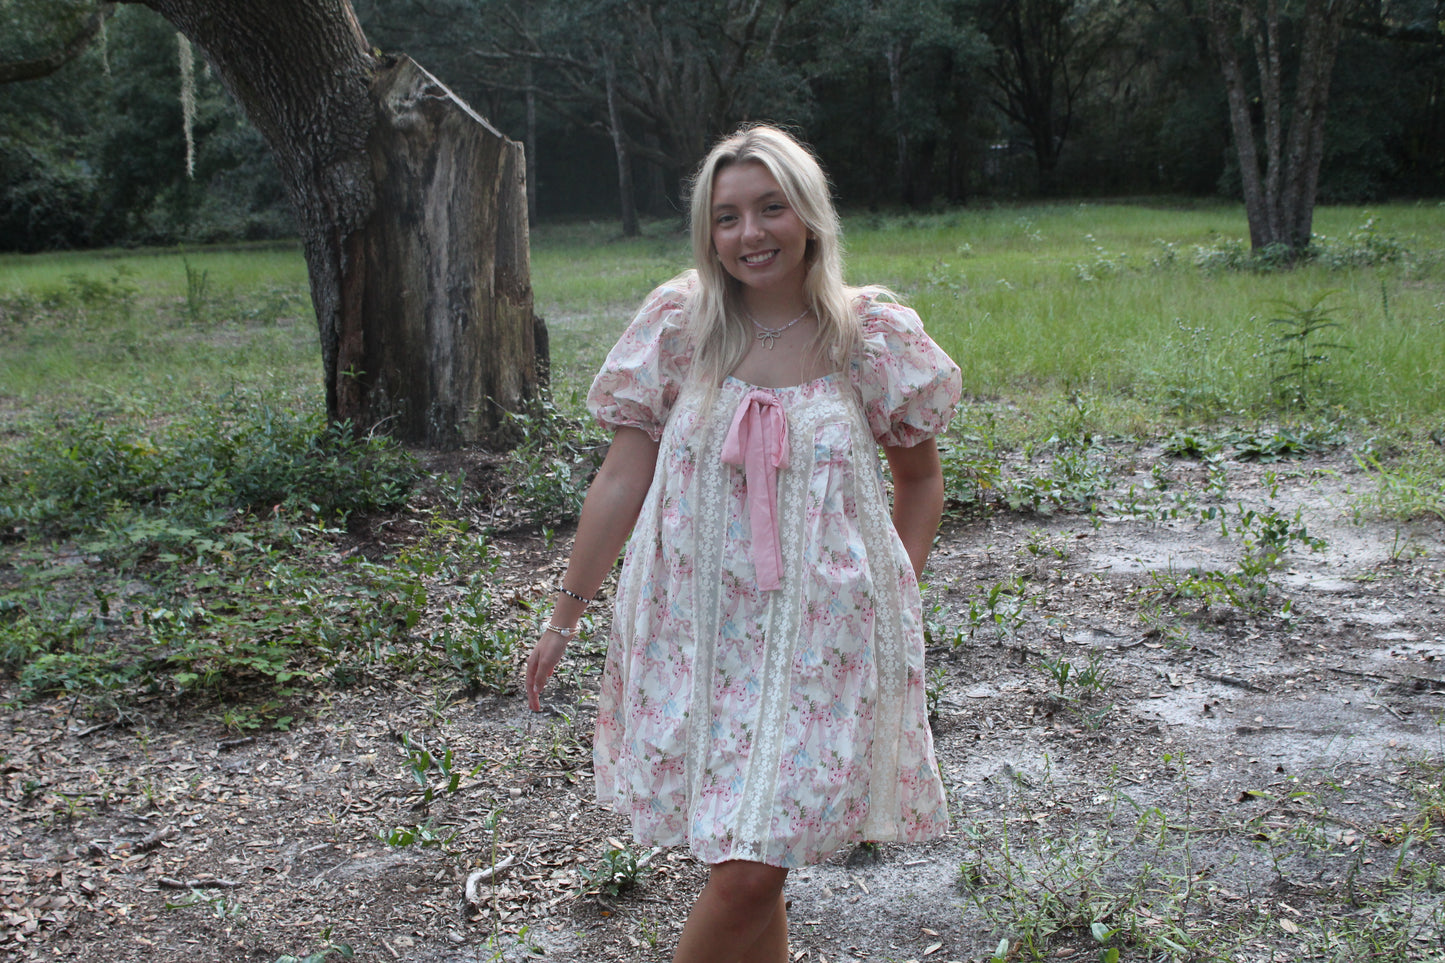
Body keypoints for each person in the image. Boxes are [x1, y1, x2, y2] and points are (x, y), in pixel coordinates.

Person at [524, 124, 961, 963]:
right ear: (707, 231)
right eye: (726, 217)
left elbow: (919, 480)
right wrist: (564, 615)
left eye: (770, 208)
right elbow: (621, 477)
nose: (749, 233)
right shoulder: (680, 326)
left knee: (753, 871)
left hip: (819, 640)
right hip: (698, 632)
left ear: (808, 216)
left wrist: (888, 602)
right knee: (748, 863)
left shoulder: (867, 334)